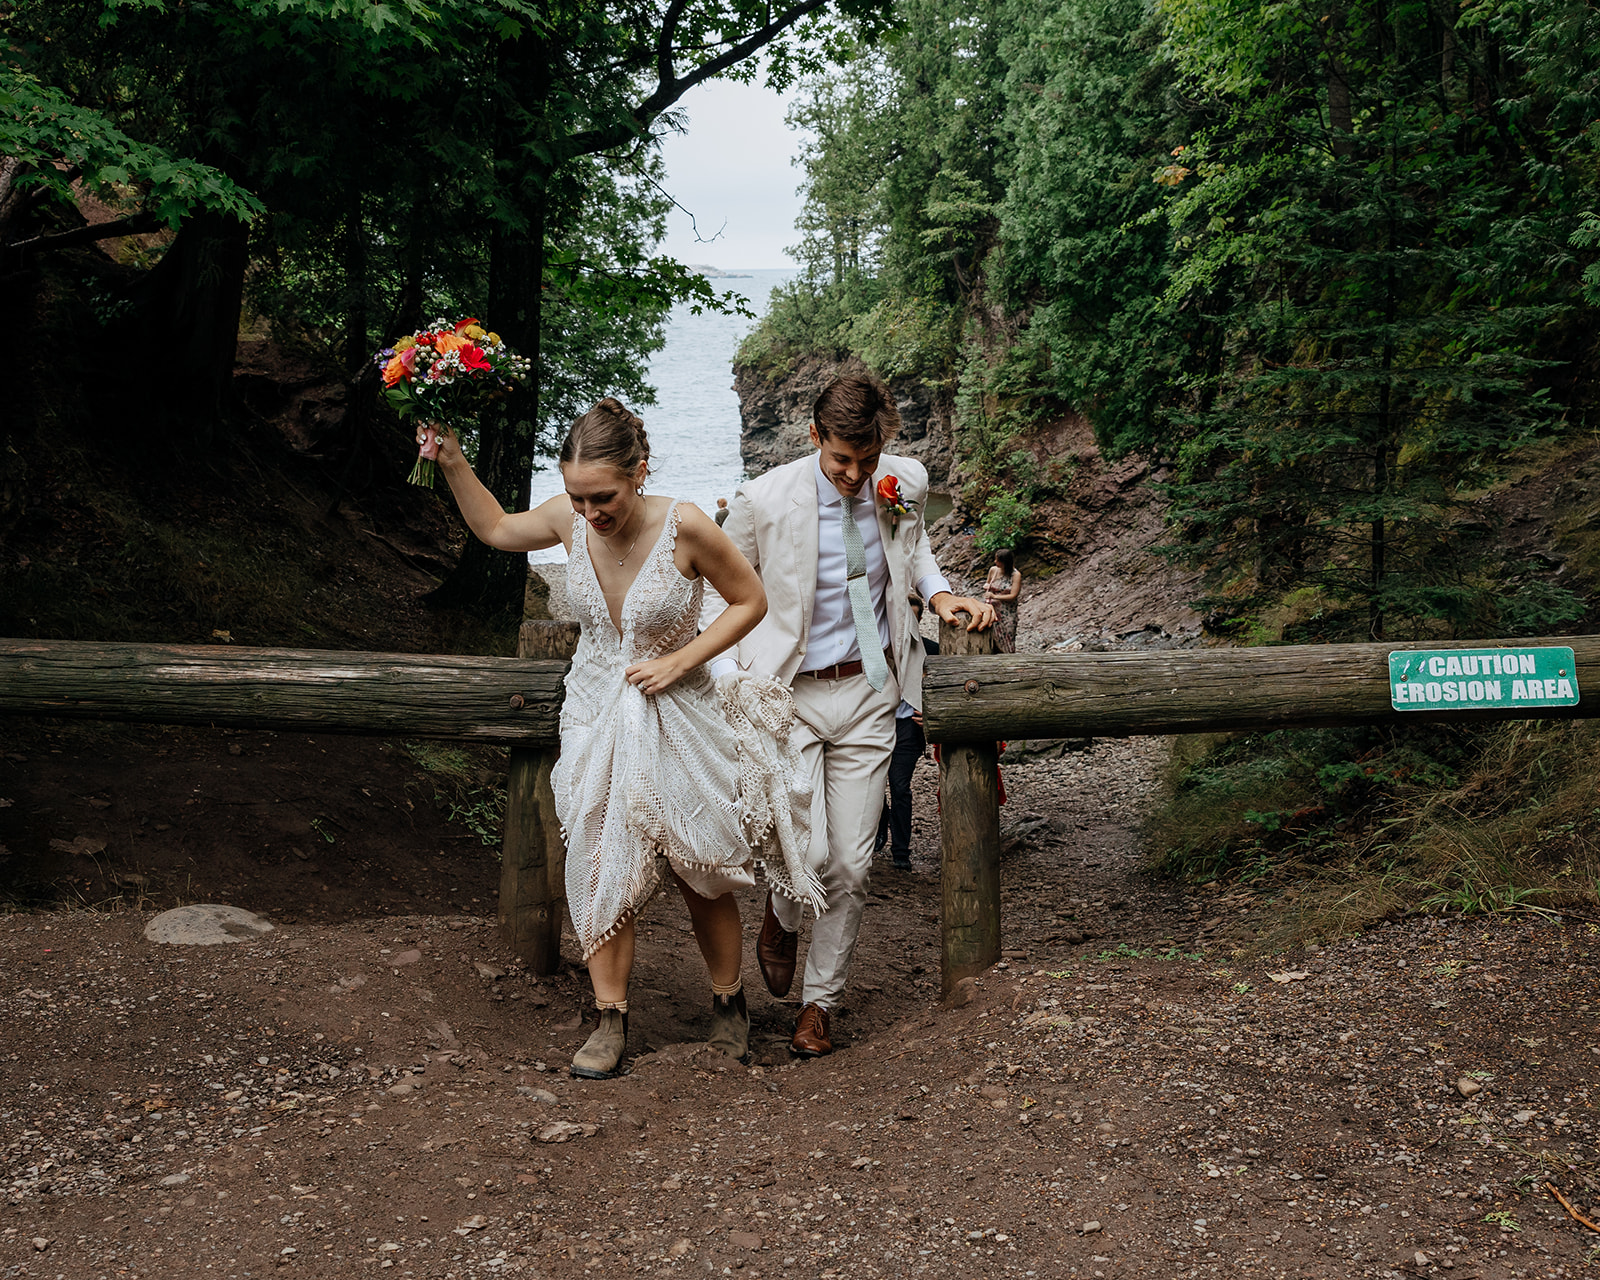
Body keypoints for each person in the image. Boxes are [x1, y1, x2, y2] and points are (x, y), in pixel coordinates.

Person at [429, 399, 816, 1080]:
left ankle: (729, 1005)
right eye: (577, 497)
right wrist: (454, 460)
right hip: (595, 705)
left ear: (640, 471)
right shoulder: (564, 518)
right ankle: (611, 1017)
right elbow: (493, 527)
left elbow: (751, 601)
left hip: (681, 706)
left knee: (700, 864)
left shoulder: (687, 526)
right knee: (598, 855)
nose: (589, 513)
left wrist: (681, 659)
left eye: (602, 496)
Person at [708, 374, 995, 1058]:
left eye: (868, 462)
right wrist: (729, 678)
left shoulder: (906, 483)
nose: (856, 476)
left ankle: (820, 1004)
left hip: (872, 688)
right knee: (799, 850)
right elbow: (717, 589)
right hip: (788, 694)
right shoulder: (761, 500)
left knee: (851, 864)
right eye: (842, 461)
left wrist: (941, 594)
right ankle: (779, 918)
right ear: (815, 439)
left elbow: (913, 549)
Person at [875, 594, 938, 871]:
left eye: (914, 618)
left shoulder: (932, 651)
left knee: (900, 787)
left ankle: (901, 850)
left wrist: (934, 715)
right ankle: (878, 830)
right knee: (873, 785)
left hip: (908, 726)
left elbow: (944, 689)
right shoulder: (874, 647)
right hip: (876, 723)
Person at [984, 548, 1022, 654]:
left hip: (1007, 612)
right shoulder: (993, 570)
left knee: (1008, 636)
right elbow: (988, 584)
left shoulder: (1015, 575)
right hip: (993, 610)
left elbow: (1013, 595)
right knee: (991, 636)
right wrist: (987, 588)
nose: (995, 562)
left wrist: (995, 596)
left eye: (998, 560)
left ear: (1005, 562)